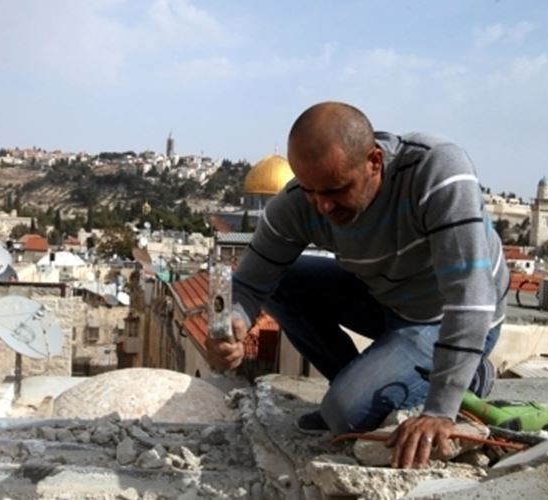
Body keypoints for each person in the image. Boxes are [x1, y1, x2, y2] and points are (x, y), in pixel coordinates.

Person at [207, 101, 508, 469]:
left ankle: (471, 376)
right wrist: (233, 323)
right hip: (387, 299)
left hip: (444, 316)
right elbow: (250, 283)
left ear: (374, 161)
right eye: (310, 191)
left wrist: (440, 409)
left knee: (344, 414)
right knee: (284, 283)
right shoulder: (302, 200)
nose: (323, 206)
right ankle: (358, 388)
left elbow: (470, 296)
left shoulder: (436, 170)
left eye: (336, 190)